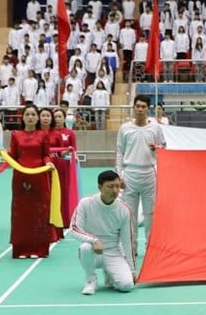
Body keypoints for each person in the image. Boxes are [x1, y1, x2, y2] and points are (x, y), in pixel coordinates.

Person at [69, 170, 136, 295]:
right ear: (100, 187)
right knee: (85, 247)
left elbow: (128, 242)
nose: (115, 190)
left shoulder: (124, 210)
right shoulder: (85, 203)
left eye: (117, 186)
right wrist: (93, 240)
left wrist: (132, 270)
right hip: (92, 251)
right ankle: (90, 280)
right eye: (110, 187)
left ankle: (109, 272)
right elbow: (73, 228)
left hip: (113, 252)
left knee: (126, 286)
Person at [9, 105, 60, 258]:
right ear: (23, 118)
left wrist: (49, 162)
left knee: (39, 212)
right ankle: (21, 249)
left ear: (37, 118)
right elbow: (13, 155)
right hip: (20, 176)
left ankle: (39, 248)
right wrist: (1, 157)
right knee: (21, 213)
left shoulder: (43, 135)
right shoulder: (15, 134)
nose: (30, 117)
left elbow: (46, 154)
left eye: (33, 114)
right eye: (27, 114)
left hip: (39, 176)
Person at [117, 95, 165, 251]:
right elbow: (119, 152)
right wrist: (119, 175)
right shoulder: (125, 128)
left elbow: (163, 147)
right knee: (130, 214)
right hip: (130, 173)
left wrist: (156, 148)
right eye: (137, 106)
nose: (140, 109)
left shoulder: (155, 127)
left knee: (150, 214)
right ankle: (131, 247)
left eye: (143, 107)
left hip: (149, 173)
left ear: (148, 109)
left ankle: (151, 248)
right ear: (133, 108)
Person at [49, 108, 79, 231]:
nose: (57, 119)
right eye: (55, 117)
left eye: (60, 116)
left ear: (64, 118)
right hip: (51, 165)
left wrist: (72, 155)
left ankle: (66, 220)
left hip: (65, 166)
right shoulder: (48, 133)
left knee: (64, 192)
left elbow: (74, 150)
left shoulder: (70, 133)